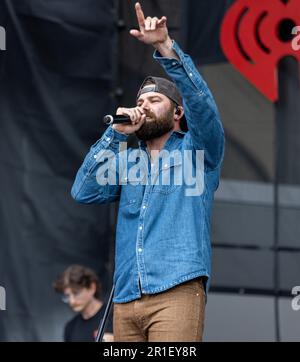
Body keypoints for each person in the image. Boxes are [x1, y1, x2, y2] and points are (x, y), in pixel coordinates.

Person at [71, 2, 224, 342]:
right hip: (126, 298)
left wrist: (165, 48)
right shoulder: (127, 162)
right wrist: (114, 134)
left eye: (154, 102)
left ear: (177, 113)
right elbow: (82, 191)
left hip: (175, 289)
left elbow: (204, 107)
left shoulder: (197, 153)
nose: (143, 107)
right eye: (140, 103)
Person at [53, 265, 113, 342]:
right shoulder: (70, 328)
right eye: (67, 296)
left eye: (76, 293)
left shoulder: (114, 315)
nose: (72, 301)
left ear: (92, 287)